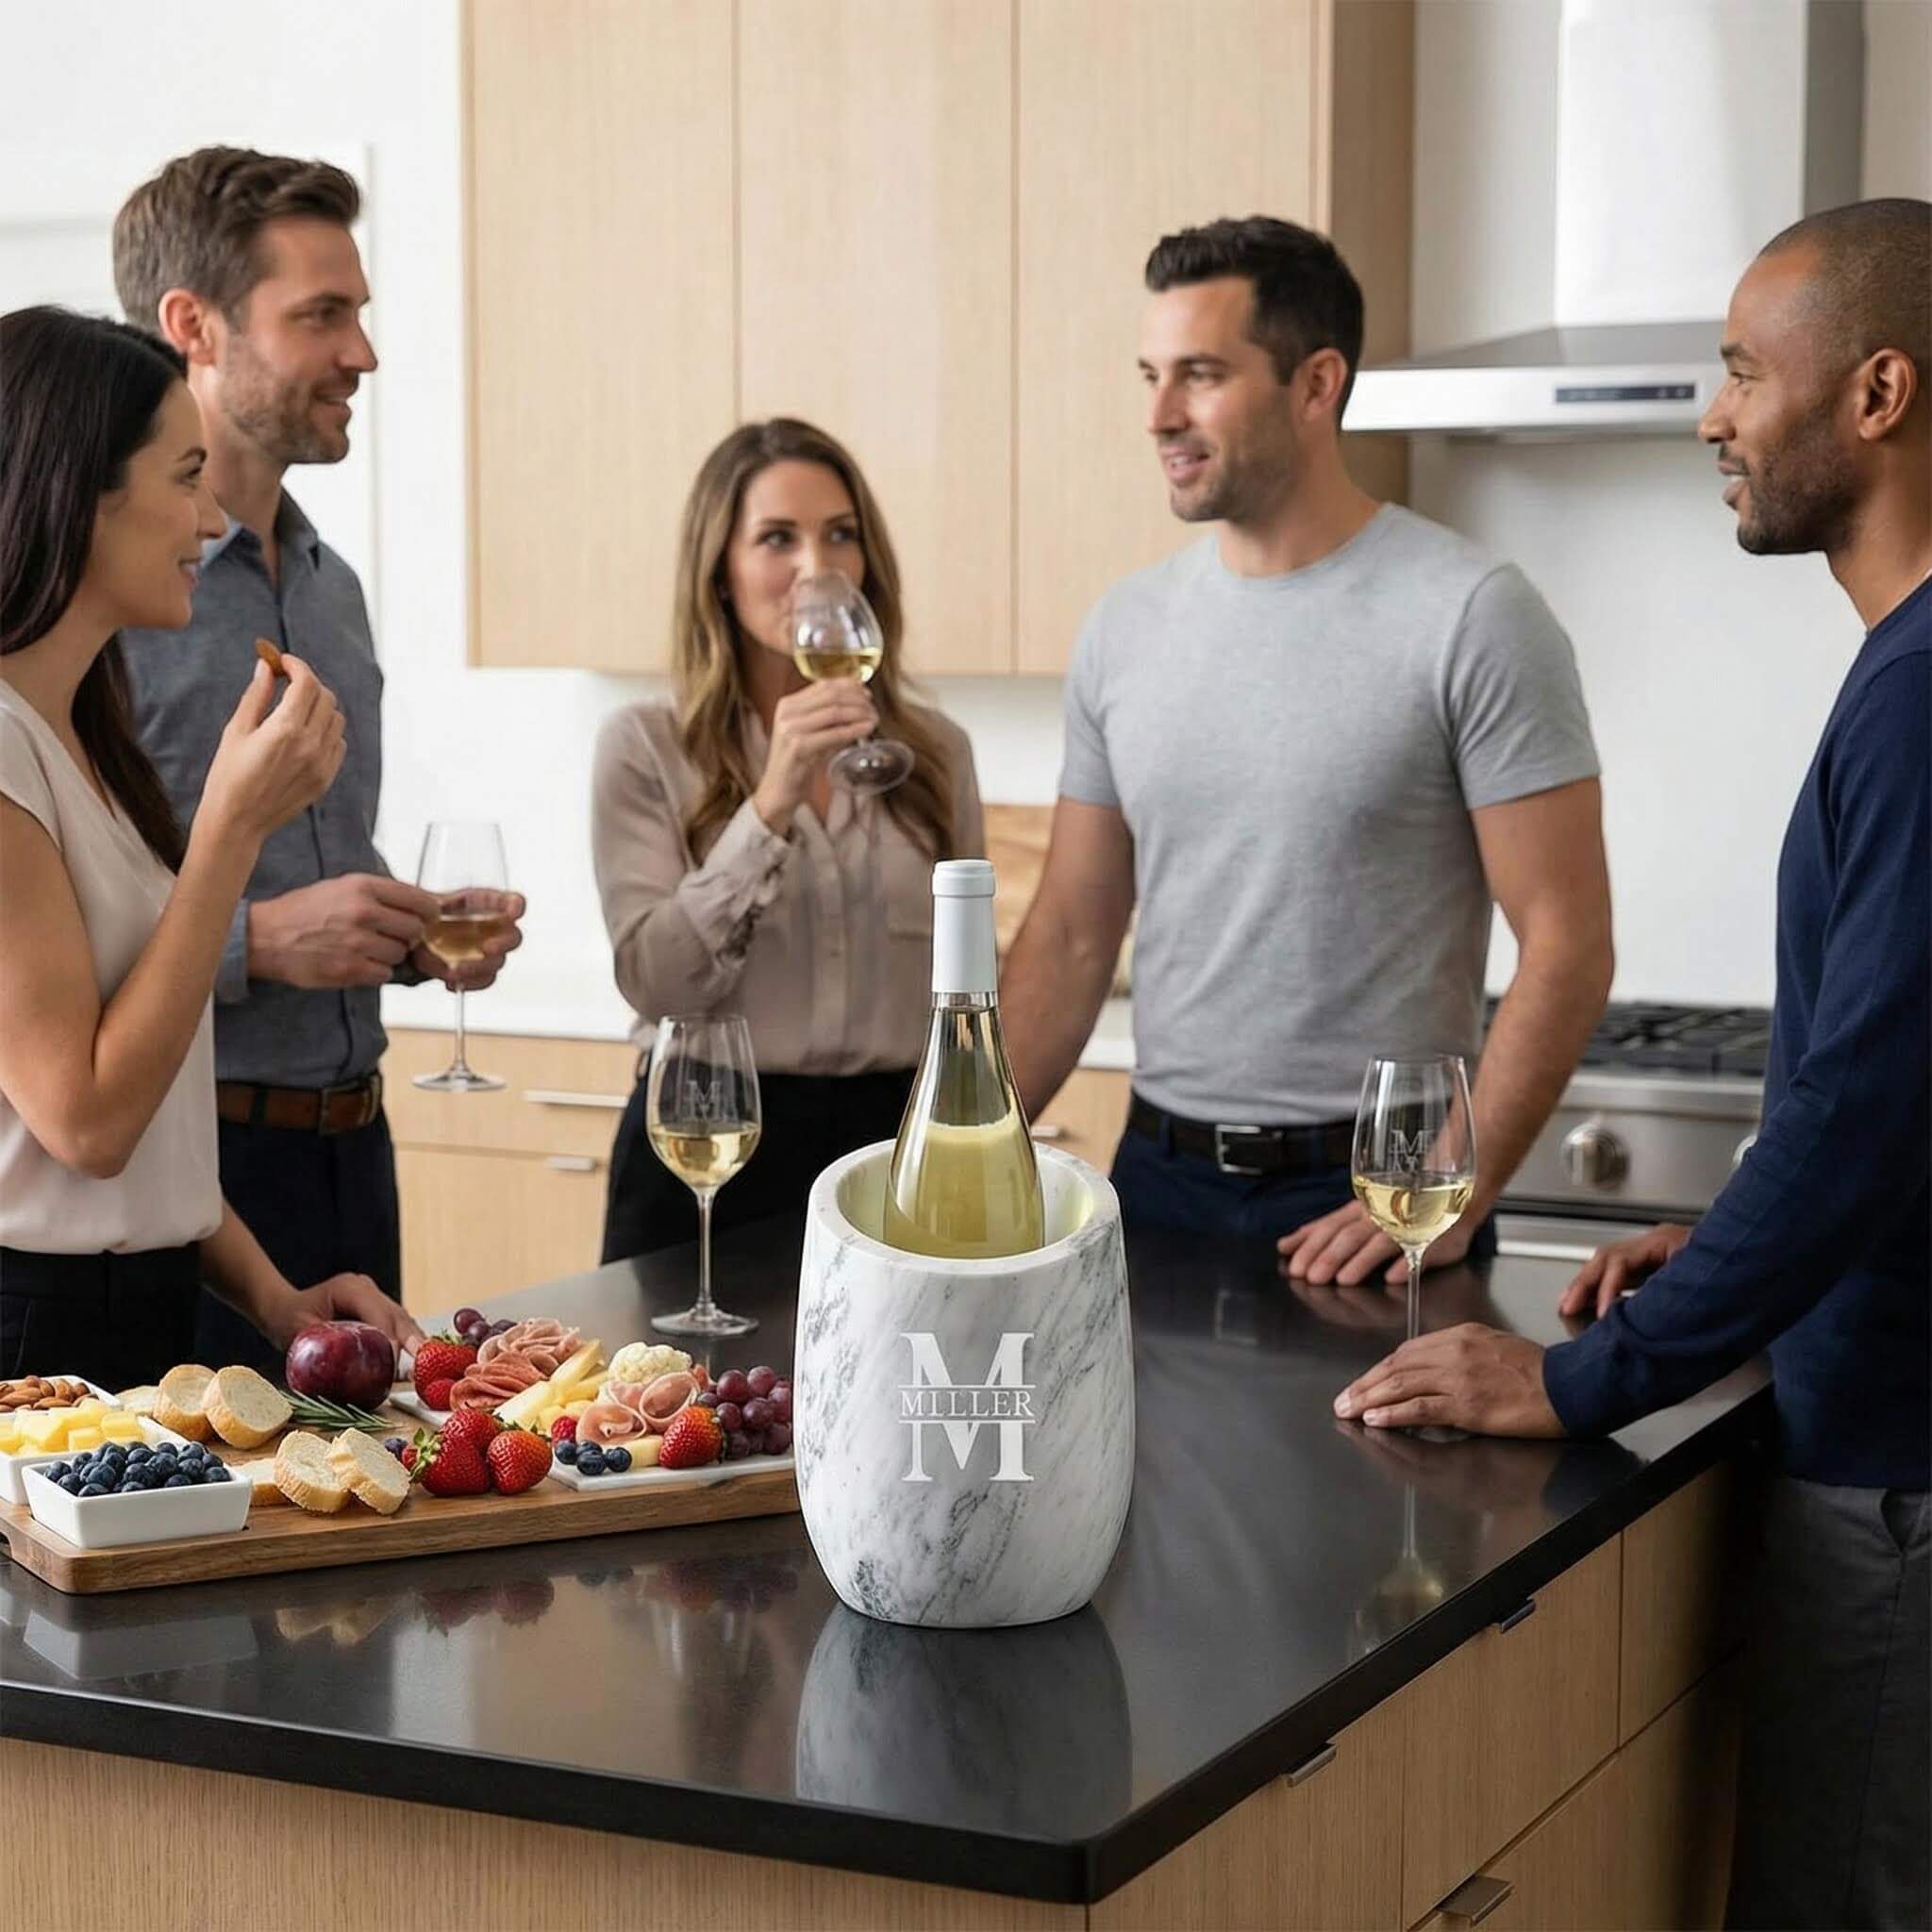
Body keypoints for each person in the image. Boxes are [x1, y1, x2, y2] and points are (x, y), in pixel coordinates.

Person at [1335, 198, 1931, 1932]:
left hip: (1898, 1474)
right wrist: (1732, 1247)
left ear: (1877, 393)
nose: (1709, 413)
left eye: (1745, 369)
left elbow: (1867, 1112)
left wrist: (1577, 1381)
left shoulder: (1914, 697)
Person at [1000, 216, 1611, 1276]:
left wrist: (1450, 1191)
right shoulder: (1123, 628)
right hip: (1156, 1182)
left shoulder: (1468, 613)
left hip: (1378, 1195)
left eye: (1198, 374)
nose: (1157, 414)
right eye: (1149, 374)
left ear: (1315, 383)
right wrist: (946, 1159)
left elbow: (1565, 937)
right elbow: (1066, 936)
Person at [110, 148, 524, 1373]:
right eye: (321, 317)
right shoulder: (104, 604)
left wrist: (404, 934)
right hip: (191, 1176)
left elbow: (307, 860)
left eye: (360, 314)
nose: (363, 354)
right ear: (194, 325)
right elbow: (46, 948)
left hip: (359, 1156)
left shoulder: (332, 588)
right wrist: (267, 941)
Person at [0, 306, 421, 1389]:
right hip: (35, 1333)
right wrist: (232, 829)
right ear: (73, 491)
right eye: (186, 477)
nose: (209, 517)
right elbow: (85, 1122)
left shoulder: (80, 736)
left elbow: (147, 1131)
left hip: (140, 1304)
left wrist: (277, 1299)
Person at [591, 418, 984, 1259]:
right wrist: (769, 804)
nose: (820, 568)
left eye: (842, 535)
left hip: (895, 1150)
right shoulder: (644, 747)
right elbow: (655, 983)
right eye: (778, 539)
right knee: (686, 1393)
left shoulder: (938, 756)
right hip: (709, 1140)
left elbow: (968, 978)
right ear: (721, 573)